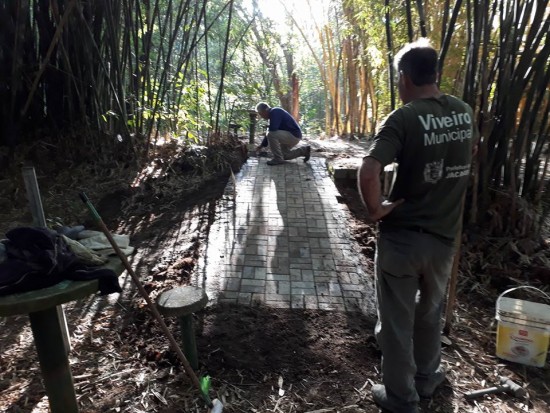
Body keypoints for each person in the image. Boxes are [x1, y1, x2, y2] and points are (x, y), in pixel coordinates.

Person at [357, 38, 478, 413]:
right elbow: (471, 150)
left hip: (403, 240)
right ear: (436, 74)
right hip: (444, 239)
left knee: (396, 322)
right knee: (430, 312)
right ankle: (428, 379)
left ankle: (401, 399)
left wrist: (376, 209)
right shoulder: (464, 112)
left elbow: (370, 167)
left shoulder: (404, 118)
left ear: (405, 77)